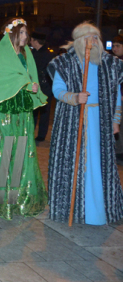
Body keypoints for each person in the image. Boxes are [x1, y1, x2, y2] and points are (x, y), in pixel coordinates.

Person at [47, 23, 123, 225]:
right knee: (75, 165)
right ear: (79, 41)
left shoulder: (111, 64)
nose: (93, 43)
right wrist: (74, 97)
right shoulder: (63, 62)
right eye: (89, 39)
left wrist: (116, 121)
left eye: (96, 38)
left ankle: (98, 211)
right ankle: (73, 210)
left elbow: (117, 95)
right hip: (72, 122)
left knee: (99, 165)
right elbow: (57, 90)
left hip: (101, 122)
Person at [0, 18, 48, 220]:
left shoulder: (27, 54)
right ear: (12, 33)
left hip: (22, 111)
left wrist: (33, 85)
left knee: (23, 151)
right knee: (3, 152)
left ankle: (22, 195)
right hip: (2, 111)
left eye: (26, 33)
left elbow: (31, 76)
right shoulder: (0, 53)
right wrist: (25, 82)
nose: (25, 37)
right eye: (21, 33)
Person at [29, 32, 54, 142]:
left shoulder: (47, 54)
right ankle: (31, 132)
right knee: (33, 111)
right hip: (34, 86)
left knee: (44, 112)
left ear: (35, 41)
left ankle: (41, 135)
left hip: (45, 87)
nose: (30, 42)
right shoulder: (33, 52)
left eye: (31, 40)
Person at [111, 35, 123, 163]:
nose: (114, 48)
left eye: (118, 46)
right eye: (113, 46)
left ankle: (120, 152)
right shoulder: (113, 61)